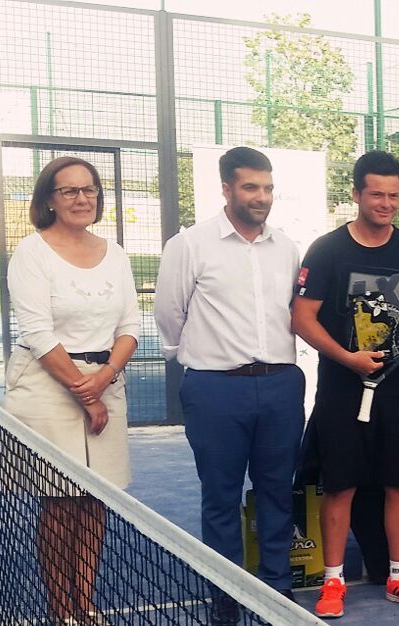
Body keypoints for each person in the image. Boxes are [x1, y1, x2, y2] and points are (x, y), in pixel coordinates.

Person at [154, 147, 304, 622]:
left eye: (267, 188)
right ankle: (227, 595)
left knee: (278, 493)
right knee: (220, 497)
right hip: (214, 391)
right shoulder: (189, 245)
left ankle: (278, 589)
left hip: (281, 386)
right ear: (226, 189)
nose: (261, 197)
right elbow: (169, 317)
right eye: (250, 187)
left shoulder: (287, 247)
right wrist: (205, 363)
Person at [292, 151, 399, 618]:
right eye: (376, 194)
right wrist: (348, 359)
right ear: (356, 194)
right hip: (341, 390)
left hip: (398, 392)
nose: (385, 203)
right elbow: (301, 318)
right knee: (341, 487)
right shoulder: (327, 249)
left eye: (394, 196)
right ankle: (333, 582)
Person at [6, 156, 139, 624]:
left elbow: (130, 326)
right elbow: (39, 333)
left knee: (95, 500)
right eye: (69, 191)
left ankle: (85, 606)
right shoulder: (31, 253)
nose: (82, 198)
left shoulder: (116, 254)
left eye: (89, 190)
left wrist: (104, 379)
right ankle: (61, 610)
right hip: (47, 388)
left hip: (106, 384)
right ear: (48, 200)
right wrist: (88, 394)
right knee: (60, 501)